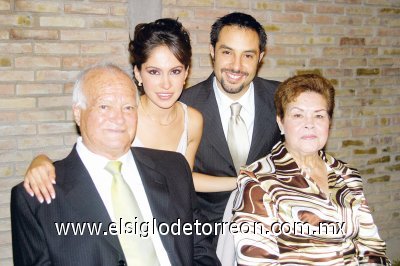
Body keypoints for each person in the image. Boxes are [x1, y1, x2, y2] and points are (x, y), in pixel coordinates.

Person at [11, 64, 220, 265]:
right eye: (104, 106)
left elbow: (200, 248)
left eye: (128, 107)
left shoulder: (173, 168)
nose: (119, 118)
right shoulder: (38, 198)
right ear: (77, 112)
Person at [231, 74, 390, 265]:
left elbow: (372, 247)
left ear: (329, 123)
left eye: (319, 115)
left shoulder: (347, 175)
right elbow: (255, 261)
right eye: (298, 115)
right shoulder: (258, 179)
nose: (310, 124)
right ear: (280, 122)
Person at [180, 12, 280, 231]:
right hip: (206, 235)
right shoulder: (184, 105)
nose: (236, 66)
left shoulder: (282, 98)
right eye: (227, 52)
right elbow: (177, 179)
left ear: (260, 57)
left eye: (248, 55)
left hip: (270, 229)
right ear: (212, 51)